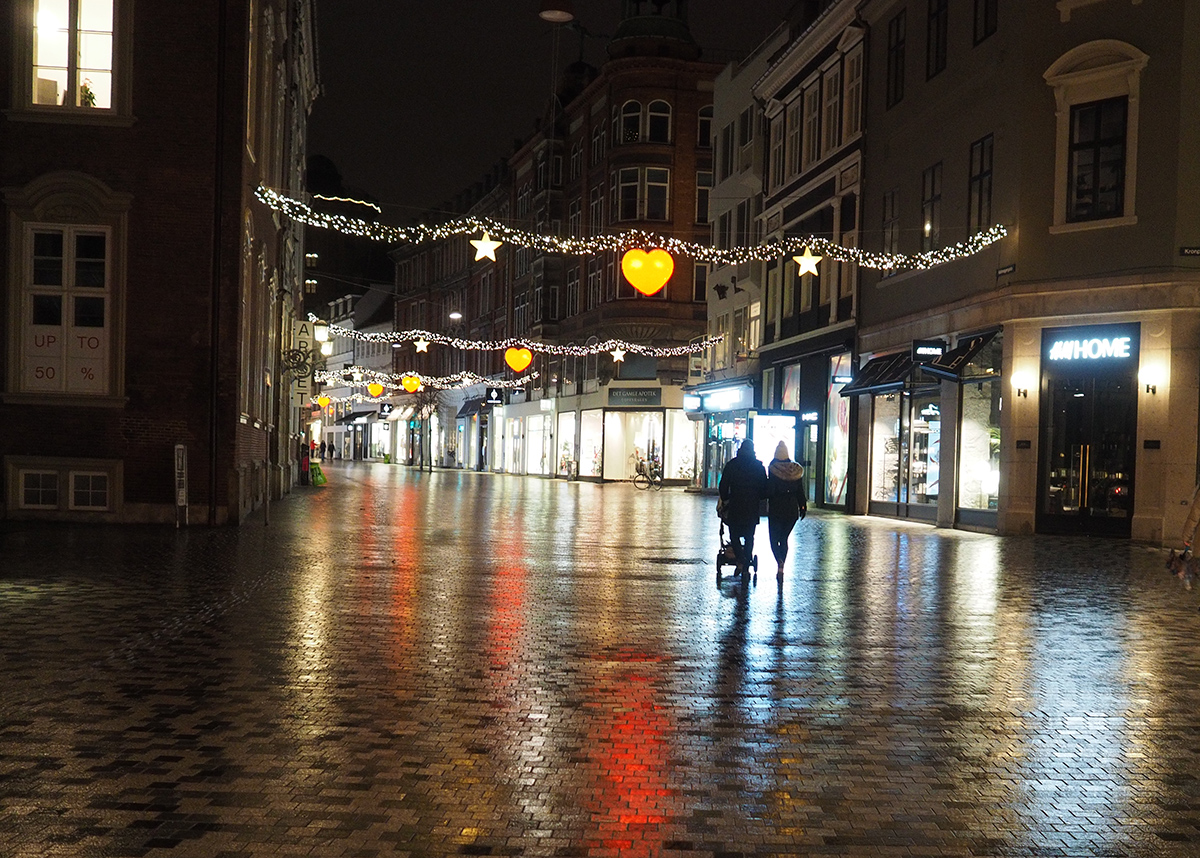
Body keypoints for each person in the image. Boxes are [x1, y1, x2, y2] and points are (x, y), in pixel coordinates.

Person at [718, 439, 768, 578]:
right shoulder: (758, 466)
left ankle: (740, 559)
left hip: (735, 504)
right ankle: (746, 564)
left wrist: (726, 498)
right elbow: (765, 489)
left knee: (734, 535)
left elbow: (723, 485)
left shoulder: (732, 465)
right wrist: (759, 497)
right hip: (752, 506)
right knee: (749, 536)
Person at [766, 440, 806, 580]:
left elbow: (769, 490)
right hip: (791, 510)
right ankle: (781, 566)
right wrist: (803, 506)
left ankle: (779, 561)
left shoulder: (773, 469)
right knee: (784, 538)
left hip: (776, 509)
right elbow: (800, 491)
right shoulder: (795, 470)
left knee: (773, 539)